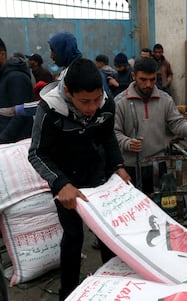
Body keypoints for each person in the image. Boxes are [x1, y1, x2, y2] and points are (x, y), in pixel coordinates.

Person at [28, 58, 130, 300]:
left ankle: (114, 290)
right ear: (67, 92)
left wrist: (118, 166)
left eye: (96, 99)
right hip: (66, 181)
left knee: (108, 236)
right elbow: (37, 153)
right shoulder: (50, 110)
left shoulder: (106, 105)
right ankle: (69, 293)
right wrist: (61, 183)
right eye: (85, 101)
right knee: (73, 237)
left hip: (98, 176)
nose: (92, 107)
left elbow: (108, 138)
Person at [114, 57, 187, 193]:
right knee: (136, 211)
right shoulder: (120, 102)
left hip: (158, 165)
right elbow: (114, 133)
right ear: (134, 76)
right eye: (143, 80)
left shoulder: (165, 99)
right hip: (130, 167)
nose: (148, 84)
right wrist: (128, 142)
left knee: (160, 209)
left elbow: (177, 124)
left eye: (152, 79)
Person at [0, 38, 34, 143]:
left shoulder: (16, 77)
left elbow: (21, 115)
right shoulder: (4, 76)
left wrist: (2, 139)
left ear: (2, 54)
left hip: (15, 146)